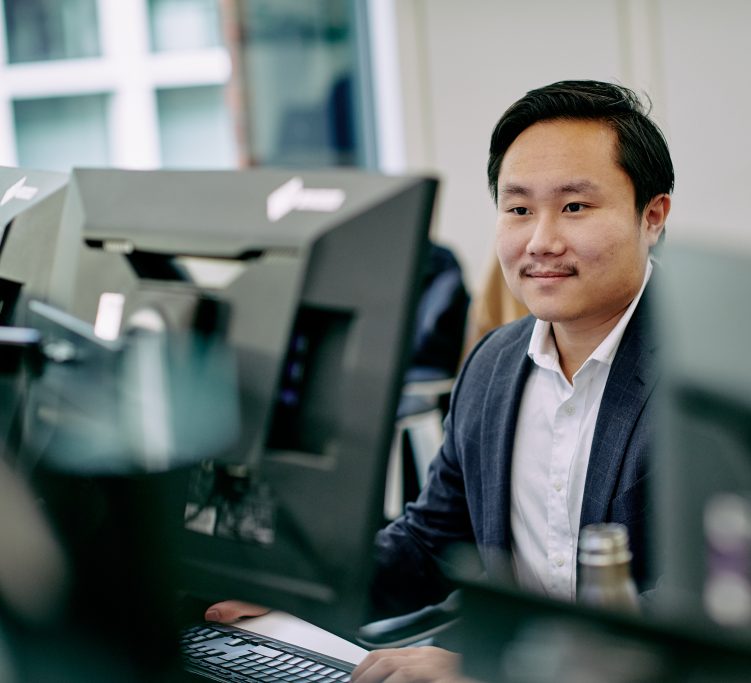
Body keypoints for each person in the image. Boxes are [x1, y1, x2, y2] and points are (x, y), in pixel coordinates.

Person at [208, 79, 674, 683]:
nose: (541, 241)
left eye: (575, 207)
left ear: (652, 216)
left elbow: (708, 616)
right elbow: (429, 544)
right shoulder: (493, 366)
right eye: (519, 209)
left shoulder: (711, 380)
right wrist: (300, 592)